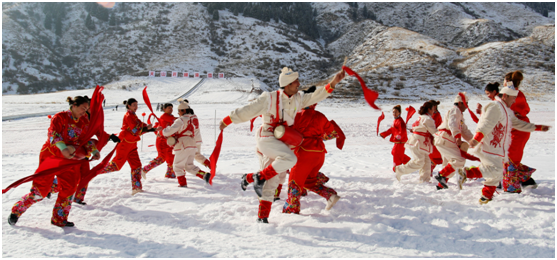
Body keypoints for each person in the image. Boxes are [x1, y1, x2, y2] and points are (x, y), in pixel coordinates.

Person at [221, 67, 345, 223]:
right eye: (296, 82)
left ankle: (262, 216)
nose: (299, 84)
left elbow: (315, 96)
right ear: (287, 85)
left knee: (272, 180)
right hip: (267, 138)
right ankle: (256, 177)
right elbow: (248, 110)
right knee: (288, 162)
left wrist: (334, 82)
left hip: (284, 141)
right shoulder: (269, 98)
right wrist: (226, 121)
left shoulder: (298, 99)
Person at [8, 96, 100, 227]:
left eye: (86, 109)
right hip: (52, 156)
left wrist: (94, 150)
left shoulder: (84, 120)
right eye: (82, 108)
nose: (84, 112)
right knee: (40, 191)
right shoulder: (60, 117)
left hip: (69, 158)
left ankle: (59, 219)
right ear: (74, 105)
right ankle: (16, 211)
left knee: (70, 188)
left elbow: (85, 139)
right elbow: (53, 134)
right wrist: (63, 148)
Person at [457, 85, 550, 204]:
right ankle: (466, 173)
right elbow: (486, 124)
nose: (514, 101)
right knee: (497, 171)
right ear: (505, 96)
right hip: (488, 145)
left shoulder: (505, 109)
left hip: (496, 146)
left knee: (496, 174)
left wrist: (539, 127)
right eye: (512, 98)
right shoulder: (495, 106)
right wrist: (476, 139)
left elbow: (518, 123)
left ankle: (486, 197)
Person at [282, 99, 342, 214]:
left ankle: (291, 209)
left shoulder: (296, 115)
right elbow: (332, 133)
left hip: (304, 152)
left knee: (294, 181)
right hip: (319, 153)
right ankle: (329, 195)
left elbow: (286, 131)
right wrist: (319, 136)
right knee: (309, 180)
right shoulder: (321, 116)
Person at [97, 98, 159, 195]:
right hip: (125, 143)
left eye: (136, 105)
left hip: (132, 144)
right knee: (116, 166)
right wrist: (147, 128)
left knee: (136, 165)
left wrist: (153, 128)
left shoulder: (134, 116)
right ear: (128, 106)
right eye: (133, 105)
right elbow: (135, 130)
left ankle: (136, 187)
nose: (136, 107)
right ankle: (93, 172)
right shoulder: (128, 115)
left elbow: (141, 126)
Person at [502, 71, 538, 193]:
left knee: (509, 159)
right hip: (520, 129)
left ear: (507, 81)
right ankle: (526, 180)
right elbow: (526, 109)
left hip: (517, 130)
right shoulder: (519, 93)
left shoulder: (509, 94)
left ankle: (512, 188)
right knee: (509, 158)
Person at [163, 100, 211, 187]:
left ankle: (182, 184)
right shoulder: (192, 118)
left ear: (183, 110)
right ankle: (204, 175)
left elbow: (169, 131)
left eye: (179, 111)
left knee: (177, 166)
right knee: (189, 166)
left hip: (183, 145)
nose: (178, 113)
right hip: (192, 144)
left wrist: (164, 131)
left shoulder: (180, 120)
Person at [433, 93, 474, 190]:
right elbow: (452, 124)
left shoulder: (459, 114)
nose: (467, 106)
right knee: (460, 159)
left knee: (449, 164)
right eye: (466, 103)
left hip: (444, 139)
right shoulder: (455, 110)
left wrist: (474, 141)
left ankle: (441, 185)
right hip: (445, 138)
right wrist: (457, 137)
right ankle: (441, 175)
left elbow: (464, 130)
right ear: (460, 103)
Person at [394, 101, 438, 183]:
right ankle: (400, 170)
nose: (434, 111)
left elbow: (416, 126)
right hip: (419, 142)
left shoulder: (421, 117)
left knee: (426, 161)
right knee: (419, 162)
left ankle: (425, 179)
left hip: (420, 141)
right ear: (429, 109)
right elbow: (434, 132)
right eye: (433, 109)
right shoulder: (428, 119)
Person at [141, 103, 178, 179]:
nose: (171, 109)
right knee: (161, 158)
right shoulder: (165, 116)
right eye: (169, 108)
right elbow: (177, 121)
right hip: (162, 140)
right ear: (164, 109)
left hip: (169, 141)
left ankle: (170, 174)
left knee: (171, 157)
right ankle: (144, 169)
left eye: (171, 108)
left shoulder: (171, 117)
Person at [428, 100, 443, 172]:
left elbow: (432, 127)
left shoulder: (436, 115)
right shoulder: (431, 114)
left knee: (433, 155)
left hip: (435, 137)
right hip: (431, 137)